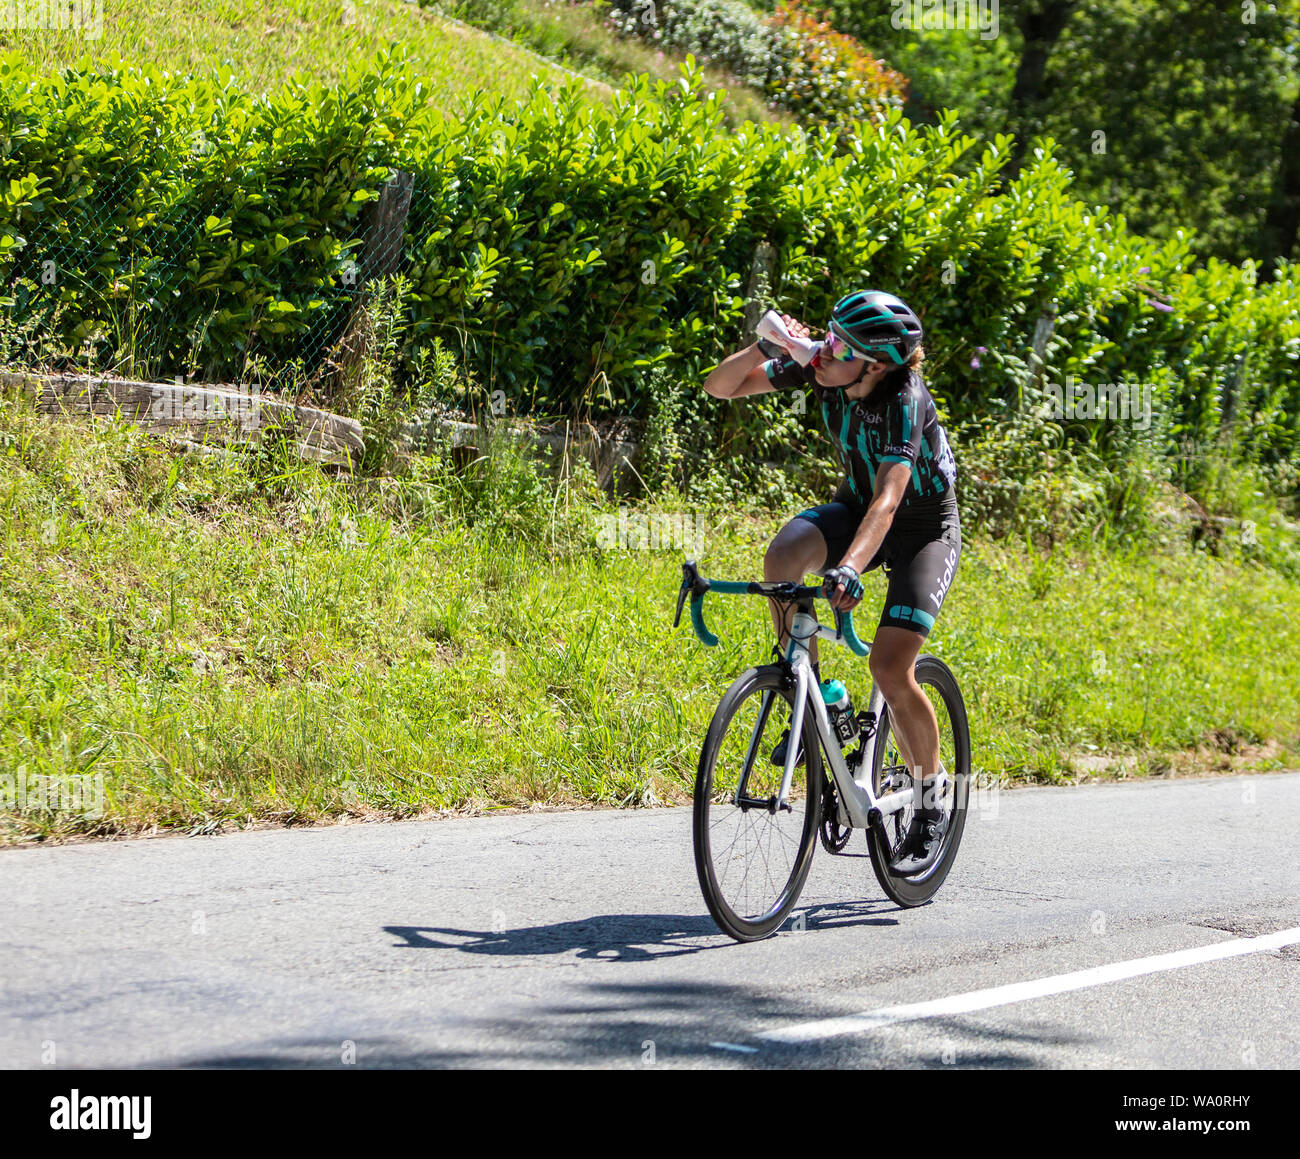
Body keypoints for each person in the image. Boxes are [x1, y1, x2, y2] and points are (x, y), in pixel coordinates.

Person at [702, 290, 961, 873]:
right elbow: (720, 386)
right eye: (828, 333)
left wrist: (849, 567)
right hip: (857, 507)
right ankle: (810, 695)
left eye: (841, 343)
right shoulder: (823, 367)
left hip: (922, 528)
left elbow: (891, 499)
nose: (825, 347)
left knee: (891, 668)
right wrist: (764, 346)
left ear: (877, 364)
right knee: (783, 558)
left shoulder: (903, 399)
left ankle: (930, 794)